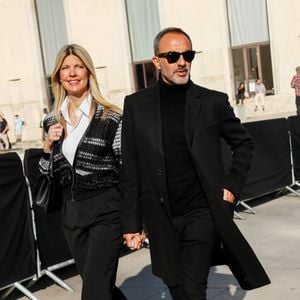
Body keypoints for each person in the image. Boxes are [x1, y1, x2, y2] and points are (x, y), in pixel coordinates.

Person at [120, 27, 270, 300]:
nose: (182, 61)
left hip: (202, 213)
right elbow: (131, 167)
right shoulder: (136, 106)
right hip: (161, 218)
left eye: (187, 54)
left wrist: (231, 187)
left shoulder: (212, 102)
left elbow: (244, 144)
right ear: (156, 61)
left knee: (192, 289)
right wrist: (132, 222)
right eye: (173, 55)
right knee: (177, 289)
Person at [38, 44, 126, 300]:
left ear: (88, 72)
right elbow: (47, 174)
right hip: (72, 215)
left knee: (94, 293)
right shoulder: (51, 120)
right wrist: (46, 148)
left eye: (78, 66)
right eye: (65, 68)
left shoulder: (111, 116)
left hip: (106, 212)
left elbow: (127, 170)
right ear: (58, 76)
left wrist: (135, 220)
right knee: (101, 287)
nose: (72, 73)